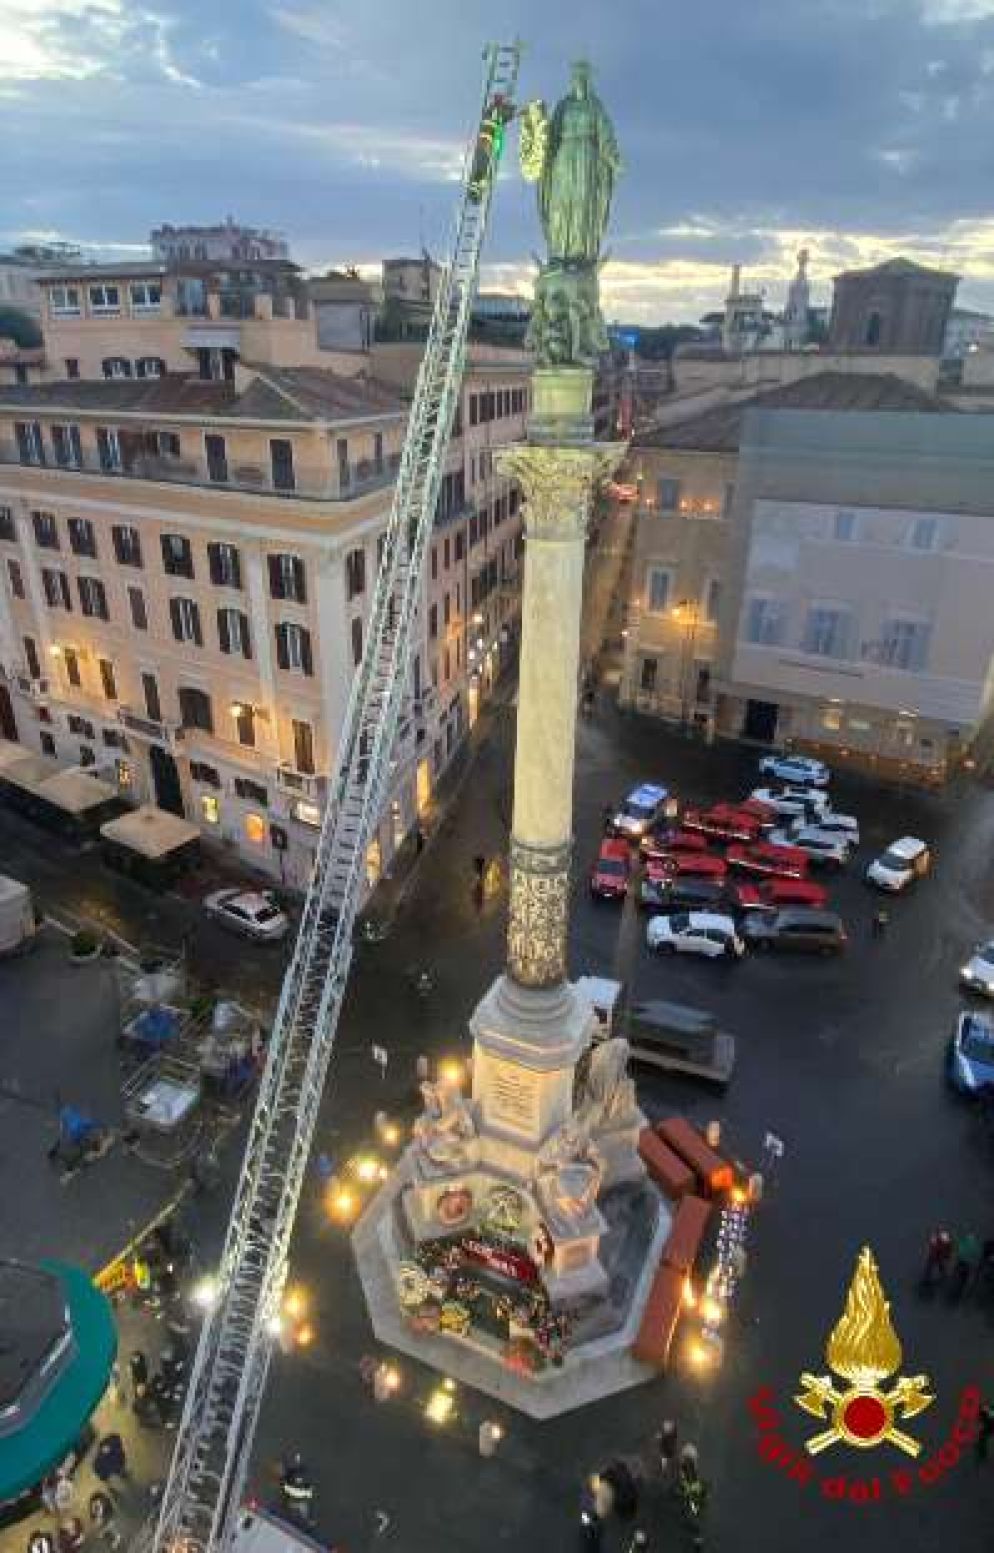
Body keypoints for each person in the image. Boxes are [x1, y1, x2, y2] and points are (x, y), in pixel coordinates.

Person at [950, 1230, 982, 1299]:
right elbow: (978, 1255)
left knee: (958, 1275)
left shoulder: (963, 1241)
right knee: (963, 1279)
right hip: (966, 1264)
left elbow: (956, 1248)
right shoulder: (975, 1245)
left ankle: (956, 1289)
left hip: (962, 1263)